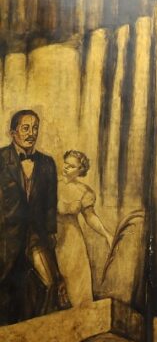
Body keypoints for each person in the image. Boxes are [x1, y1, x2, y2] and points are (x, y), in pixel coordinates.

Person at [0, 109, 64, 323]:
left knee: (50, 283)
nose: (31, 133)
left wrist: (51, 231)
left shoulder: (47, 164)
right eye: (25, 128)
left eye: (35, 128)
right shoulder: (1, 159)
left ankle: (39, 331)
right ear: (13, 132)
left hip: (36, 236)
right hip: (6, 237)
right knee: (6, 289)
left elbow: (50, 203)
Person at [56, 149, 112, 305]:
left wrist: (107, 234)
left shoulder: (84, 192)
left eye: (72, 166)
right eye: (66, 163)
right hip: (52, 236)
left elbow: (90, 217)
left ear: (80, 170)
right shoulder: (50, 183)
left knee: (78, 282)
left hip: (72, 240)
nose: (66, 167)